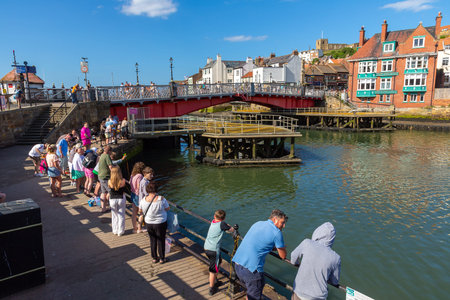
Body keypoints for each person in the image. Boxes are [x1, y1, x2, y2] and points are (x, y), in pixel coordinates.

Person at [232, 209, 287, 300]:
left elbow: (258, 241)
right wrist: (283, 247)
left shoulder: (258, 223)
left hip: (238, 265)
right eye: (282, 223)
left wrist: (271, 247)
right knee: (255, 294)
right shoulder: (277, 232)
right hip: (251, 271)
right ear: (274, 220)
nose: (284, 226)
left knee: (251, 293)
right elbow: (283, 256)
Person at [290, 222, 341, 300]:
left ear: (318, 232)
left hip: (299, 291)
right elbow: (334, 281)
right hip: (317, 297)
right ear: (332, 238)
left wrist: (299, 264)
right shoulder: (336, 257)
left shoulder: (307, 243)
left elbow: (293, 258)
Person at [204, 210, 235, 295]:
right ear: (224, 218)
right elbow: (231, 229)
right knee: (213, 270)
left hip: (206, 247)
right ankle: (211, 288)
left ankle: (215, 281)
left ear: (214, 216)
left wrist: (226, 225)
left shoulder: (213, 222)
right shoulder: (222, 224)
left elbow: (223, 226)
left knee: (219, 262)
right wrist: (231, 227)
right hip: (213, 250)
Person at [138, 181, 170, 263]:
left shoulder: (143, 200)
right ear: (156, 189)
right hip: (160, 223)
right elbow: (167, 209)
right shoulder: (161, 199)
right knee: (161, 240)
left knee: (152, 240)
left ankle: (154, 257)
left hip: (149, 223)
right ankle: (162, 258)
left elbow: (140, 211)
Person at [108, 166, 126, 236]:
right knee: (121, 215)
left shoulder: (109, 181)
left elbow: (110, 189)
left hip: (112, 199)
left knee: (114, 215)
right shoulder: (123, 180)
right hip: (121, 198)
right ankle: (120, 231)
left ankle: (115, 230)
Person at [130, 162, 146, 233]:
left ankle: (134, 228)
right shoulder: (140, 176)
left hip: (132, 194)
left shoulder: (132, 175)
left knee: (134, 212)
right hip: (138, 195)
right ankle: (139, 228)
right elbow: (139, 187)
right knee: (141, 213)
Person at [98, 145, 113, 213]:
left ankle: (103, 208)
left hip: (100, 176)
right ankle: (111, 206)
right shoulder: (107, 156)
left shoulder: (102, 155)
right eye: (111, 152)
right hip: (105, 177)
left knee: (103, 192)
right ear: (109, 151)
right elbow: (111, 167)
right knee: (111, 191)